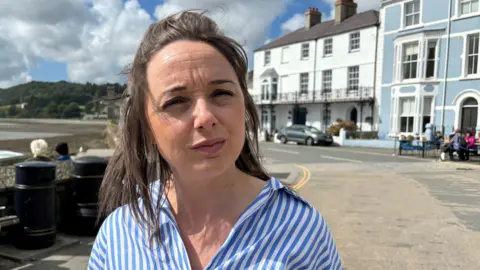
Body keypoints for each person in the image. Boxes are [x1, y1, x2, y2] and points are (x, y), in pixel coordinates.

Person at [88, 11, 342, 270]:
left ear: (244, 104)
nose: (205, 117)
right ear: (147, 127)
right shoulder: (119, 234)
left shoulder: (301, 229)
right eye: (176, 101)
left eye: (221, 93)